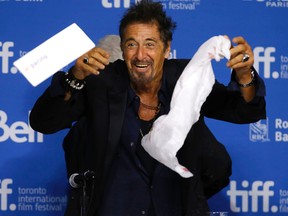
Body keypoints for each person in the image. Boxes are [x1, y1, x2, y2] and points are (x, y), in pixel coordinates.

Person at [29, 0, 266, 215]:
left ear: (166, 47)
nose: (141, 55)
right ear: (122, 49)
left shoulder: (188, 78)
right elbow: (44, 122)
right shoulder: (101, 82)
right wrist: (75, 76)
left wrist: (244, 74)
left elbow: (245, 110)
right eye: (132, 44)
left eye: (150, 44)